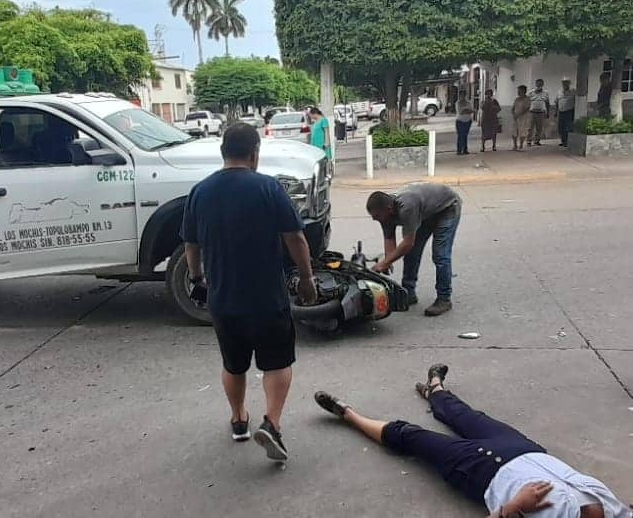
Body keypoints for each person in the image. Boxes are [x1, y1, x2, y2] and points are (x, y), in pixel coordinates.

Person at [314, 364, 632, 518]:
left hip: (481, 471)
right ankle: (435, 386)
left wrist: (513, 508)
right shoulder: (620, 512)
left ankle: (347, 414)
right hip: (525, 450)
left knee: (412, 437)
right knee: (463, 415)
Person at [180, 124, 318, 462]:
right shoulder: (268, 187)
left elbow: (191, 243)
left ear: (223, 152)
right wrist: (307, 278)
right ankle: (271, 423)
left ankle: (239, 420)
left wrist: (198, 277)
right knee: (277, 362)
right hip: (266, 297)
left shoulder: (200, 191)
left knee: (234, 364)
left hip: (223, 299)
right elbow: (296, 238)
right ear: (255, 153)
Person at [366, 183, 462, 316]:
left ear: (388, 209)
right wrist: (387, 262)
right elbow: (389, 239)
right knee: (412, 254)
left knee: (440, 255)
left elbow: (407, 243)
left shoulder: (407, 208)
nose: (374, 218)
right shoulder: (385, 215)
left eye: (376, 216)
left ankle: (444, 299)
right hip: (425, 213)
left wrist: (383, 263)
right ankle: (408, 293)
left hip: (447, 208)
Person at [529, 79, 552, 146]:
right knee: (530, 127)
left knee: (539, 128)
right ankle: (529, 140)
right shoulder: (531, 92)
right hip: (532, 112)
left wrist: (548, 112)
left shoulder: (545, 93)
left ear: (543, 84)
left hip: (541, 112)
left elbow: (547, 103)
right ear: (535, 84)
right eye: (538, 84)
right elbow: (527, 102)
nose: (539, 85)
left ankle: (537, 140)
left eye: (540, 84)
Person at [455, 89, 476, 155]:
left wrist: (466, 110)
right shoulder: (458, 103)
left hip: (468, 121)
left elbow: (472, 111)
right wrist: (467, 110)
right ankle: (459, 150)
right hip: (460, 121)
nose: (462, 96)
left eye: (464, 95)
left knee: (465, 135)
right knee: (460, 135)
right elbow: (460, 112)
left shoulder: (468, 102)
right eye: (461, 95)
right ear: (459, 96)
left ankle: (465, 150)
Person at [512, 86, 532, 151]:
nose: (518, 92)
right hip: (516, 118)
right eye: (518, 91)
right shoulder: (516, 99)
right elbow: (513, 108)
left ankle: (521, 145)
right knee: (514, 131)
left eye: (519, 91)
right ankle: (515, 146)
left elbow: (527, 108)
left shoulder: (527, 99)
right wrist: (514, 114)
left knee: (522, 132)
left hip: (524, 118)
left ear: (523, 91)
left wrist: (519, 115)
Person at [558, 78, 576, 147]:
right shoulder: (559, 91)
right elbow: (557, 101)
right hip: (561, 112)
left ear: (569, 83)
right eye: (563, 83)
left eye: (566, 83)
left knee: (568, 127)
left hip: (569, 112)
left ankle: (568, 142)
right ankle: (563, 141)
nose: (565, 84)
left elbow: (576, 101)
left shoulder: (573, 91)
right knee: (561, 127)